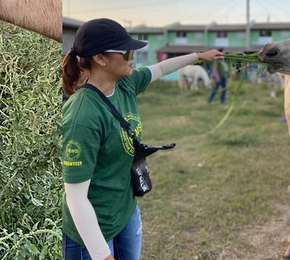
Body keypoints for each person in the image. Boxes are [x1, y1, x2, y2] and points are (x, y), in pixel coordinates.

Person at [61, 18, 223, 260]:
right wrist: (102, 255)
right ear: (100, 58)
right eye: (126, 51)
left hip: (126, 211)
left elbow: (160, 69)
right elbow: (75, 198)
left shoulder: (125, 83)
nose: (132, 55)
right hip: (93, 228)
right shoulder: (82, 115)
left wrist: (199, 56)